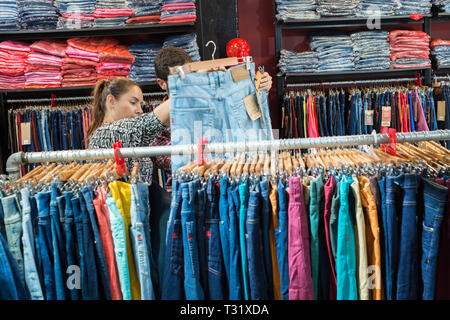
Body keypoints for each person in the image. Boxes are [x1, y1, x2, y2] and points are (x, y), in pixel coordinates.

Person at [87, 47, 273, 185]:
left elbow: (246, 121)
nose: (139, 110)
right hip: (193, 188)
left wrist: (257, 86)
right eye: (133, 102)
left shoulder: (207, 102)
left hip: (229, 177)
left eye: (140, 104)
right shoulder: (120, 132)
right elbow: (158, 137)